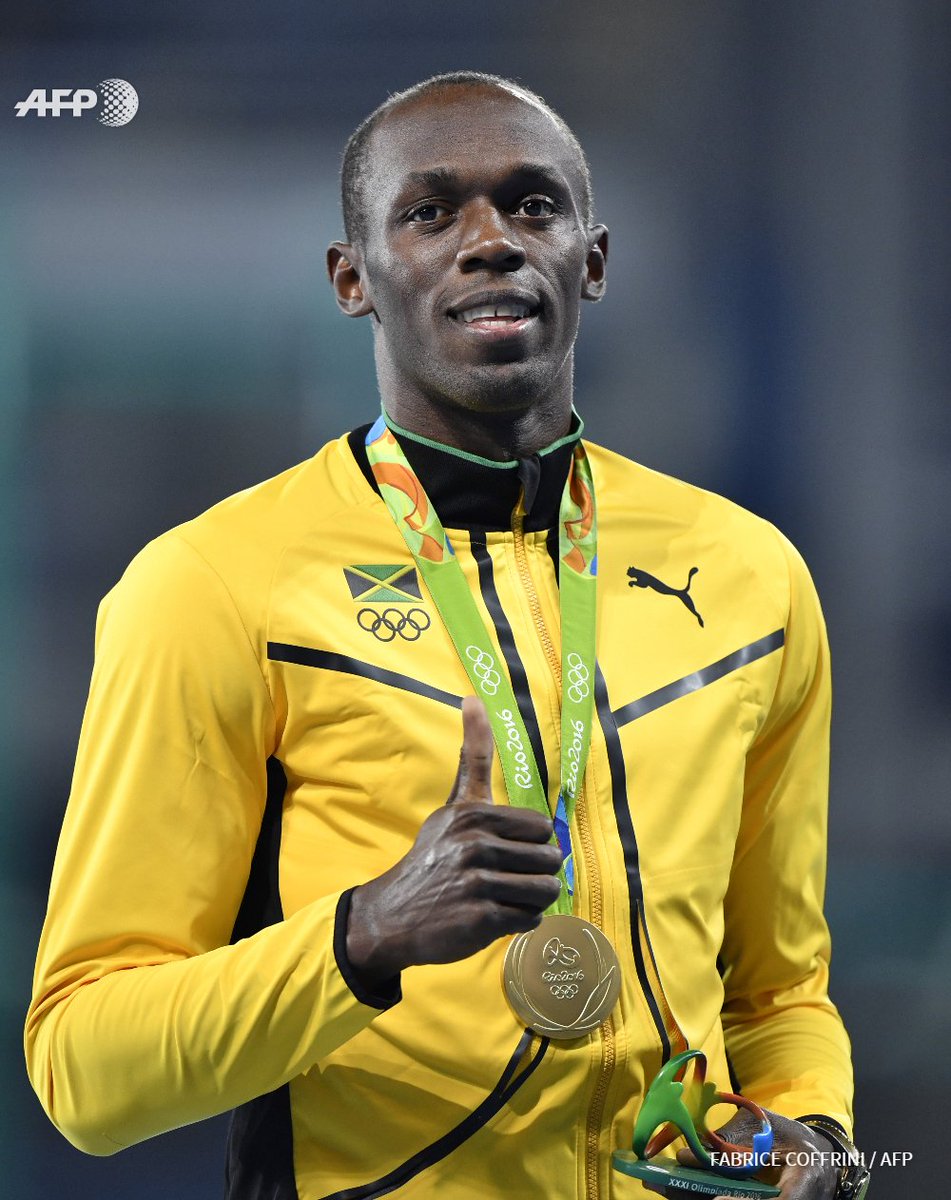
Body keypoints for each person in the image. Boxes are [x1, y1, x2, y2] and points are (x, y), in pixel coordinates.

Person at [25, 72, 868, 1200]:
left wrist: (811, 1141)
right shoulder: (211, 587)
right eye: (430, 213)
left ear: (595, 261)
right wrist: (365, 935)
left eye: (533, 206)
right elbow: (84, 1071)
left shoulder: (752, 574)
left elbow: (780, 996)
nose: (491, 243)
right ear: (351, 279)